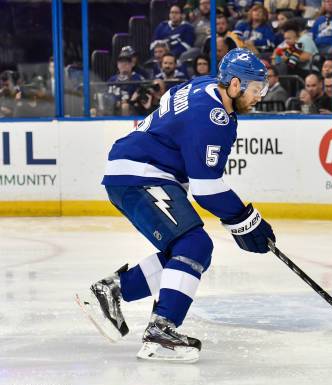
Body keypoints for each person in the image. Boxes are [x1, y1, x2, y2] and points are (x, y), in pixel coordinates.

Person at [76, 48, 276, 363]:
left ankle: (113, 291)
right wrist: (245, 220)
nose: (258, 97)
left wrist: (240, 220)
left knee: (187, 252)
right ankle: (161, 330)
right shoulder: (214, 118)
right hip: (141, 174)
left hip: (137, 171)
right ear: (235, 84)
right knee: (194, 244)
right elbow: (207, 187)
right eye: (255, 89)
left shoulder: (206, 86)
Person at [106, 48, 145, 116]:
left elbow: (141, 97)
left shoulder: (138, 78)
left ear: (132, 64)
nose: (123, 64)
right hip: (112, 107)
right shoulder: (112, 79)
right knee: (93, 110)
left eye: (126, 62)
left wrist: (129, 101)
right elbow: (106, 95)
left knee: (125, 106)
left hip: (131, 108)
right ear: (117, 64)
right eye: (121, 62)